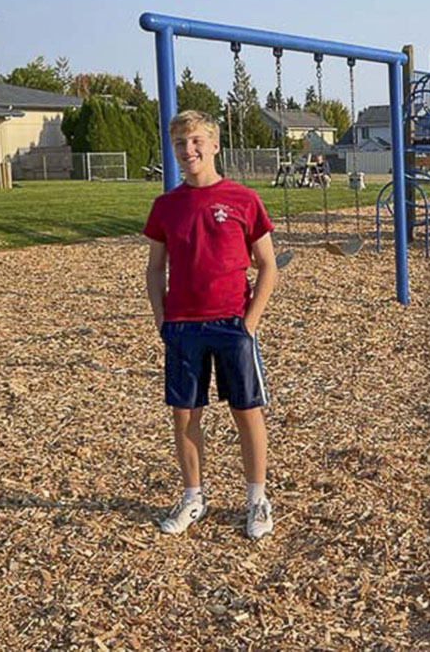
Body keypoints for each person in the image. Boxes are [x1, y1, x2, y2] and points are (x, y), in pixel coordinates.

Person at [142, 110, 278, 540]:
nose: (189, 150)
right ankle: (193, 496)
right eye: (181, 143)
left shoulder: (243, 199)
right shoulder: (166, 206)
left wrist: (250, 322)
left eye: (197, 141)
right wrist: (162, 319)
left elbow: (268, 266)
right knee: (185, 416)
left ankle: (256, 499)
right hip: (183, 327)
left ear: (214, 145)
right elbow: (154, 269)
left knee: (246, 412)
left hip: (232, 325)